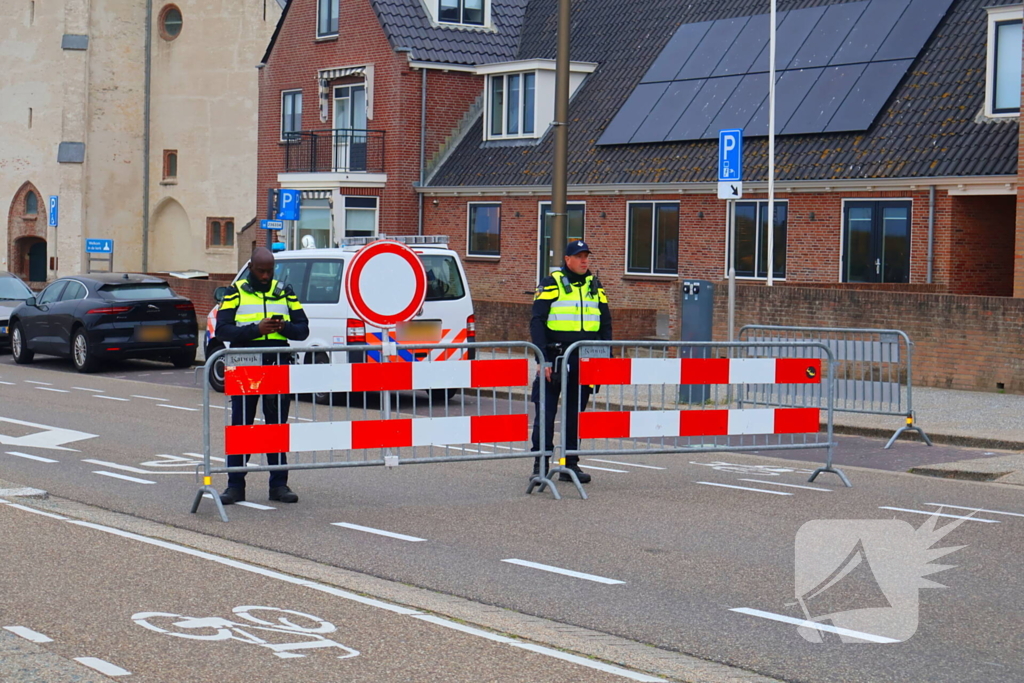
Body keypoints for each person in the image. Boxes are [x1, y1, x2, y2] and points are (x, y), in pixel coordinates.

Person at [216, 247, 309, 505]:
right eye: (261, 271)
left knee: (276, 427)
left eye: (270, 271)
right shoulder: (236, 292)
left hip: (277, 365)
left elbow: (303, 330)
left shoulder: (285, 292)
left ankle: (279, 485)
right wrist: (256, 330)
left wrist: (283, 327)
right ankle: (235, 485)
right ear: (251, 268)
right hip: (246, 366)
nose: (266, 276)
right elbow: (222, 329)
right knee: (241, 428)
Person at [530, 240, 612, 484]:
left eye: (586, 256)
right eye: (579, 256)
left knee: (575, 415)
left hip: (583, 359)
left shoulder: (595, 286)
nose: (584, 260)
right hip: (555, 358)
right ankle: (540, 465)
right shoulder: (551, 283)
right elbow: (537, 321)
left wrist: (605, 356)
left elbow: (606, 323)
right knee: (545, 413)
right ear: (567, 260)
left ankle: (570, 464)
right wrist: (542, 358)